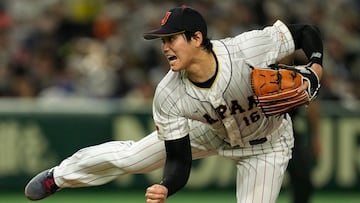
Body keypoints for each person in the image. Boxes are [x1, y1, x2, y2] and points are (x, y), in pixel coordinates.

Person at [24, 6, 323, 203]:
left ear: (196, 38)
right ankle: (59, 176)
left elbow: (304, 32)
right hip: (208, 131)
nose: (165, 47)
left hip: (267, 145)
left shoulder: (246, 49)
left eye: (171, 39)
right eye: (162, 41)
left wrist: (316, 66)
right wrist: (167, 185)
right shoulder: (168, 93)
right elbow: (179, 160)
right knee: (130, 158)